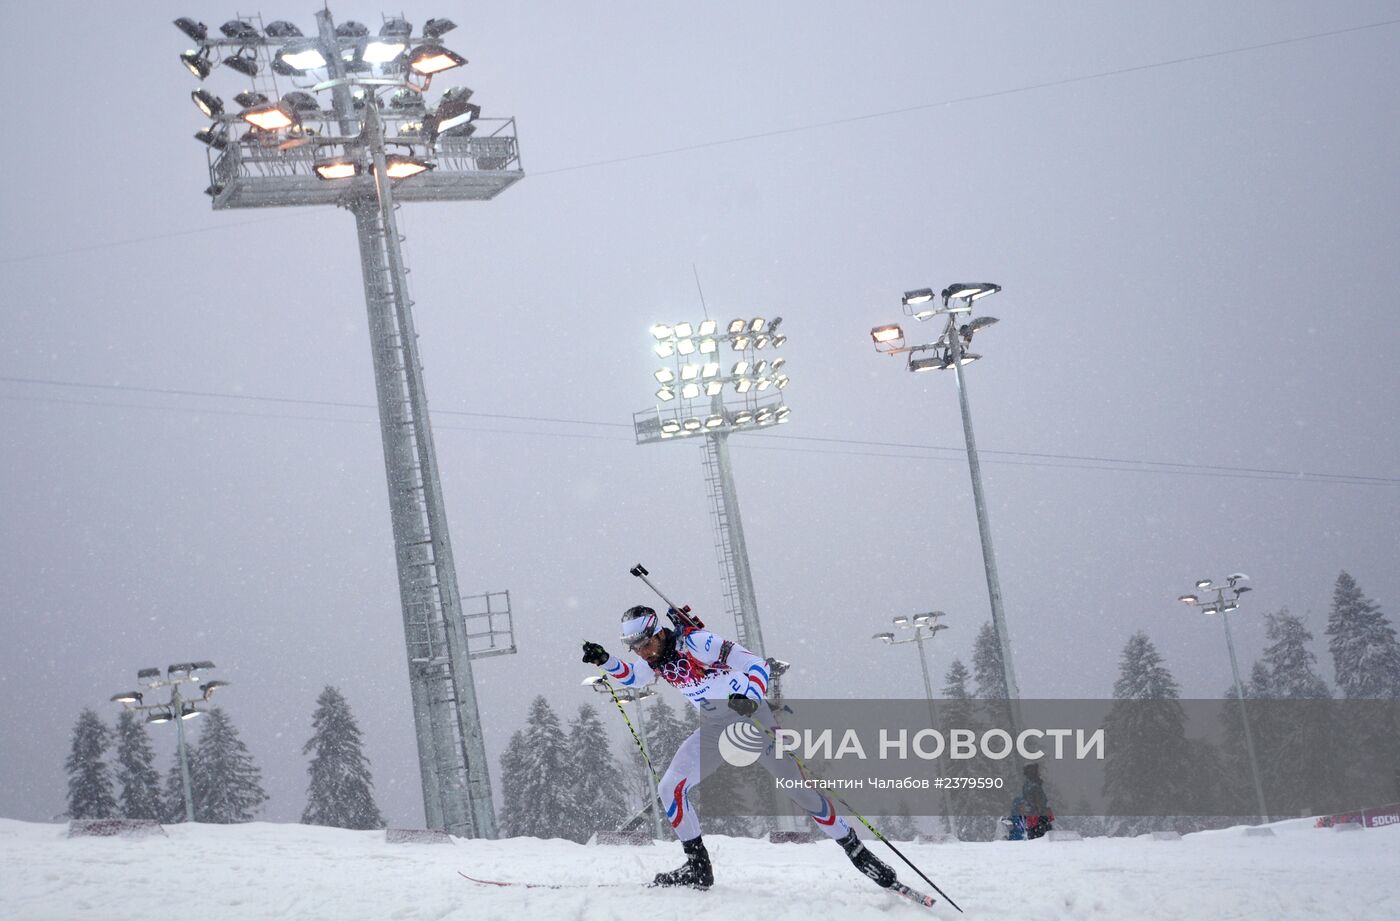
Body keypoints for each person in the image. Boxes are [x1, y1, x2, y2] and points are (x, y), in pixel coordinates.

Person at [582, 605, 898, 890]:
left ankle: (859, 853)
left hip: (752, 719)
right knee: (670, 788)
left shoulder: (698, 643)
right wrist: (605, 660)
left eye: (646, 644)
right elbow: (633, 678)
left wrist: (752, 694)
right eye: (635, 648)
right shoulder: (655, 659)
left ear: (659, 632)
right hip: (716, 728)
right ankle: (698, 868)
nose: (644, 654)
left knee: (800, 792)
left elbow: (756, 664)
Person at [1020, 763, 1054, 840]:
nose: (1039, 773)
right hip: (1038, 817)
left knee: (1036, 837)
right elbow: (1039, 802)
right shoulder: (1033, 786)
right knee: (1041, 838)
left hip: (1034, 817)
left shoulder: (1028, 785)